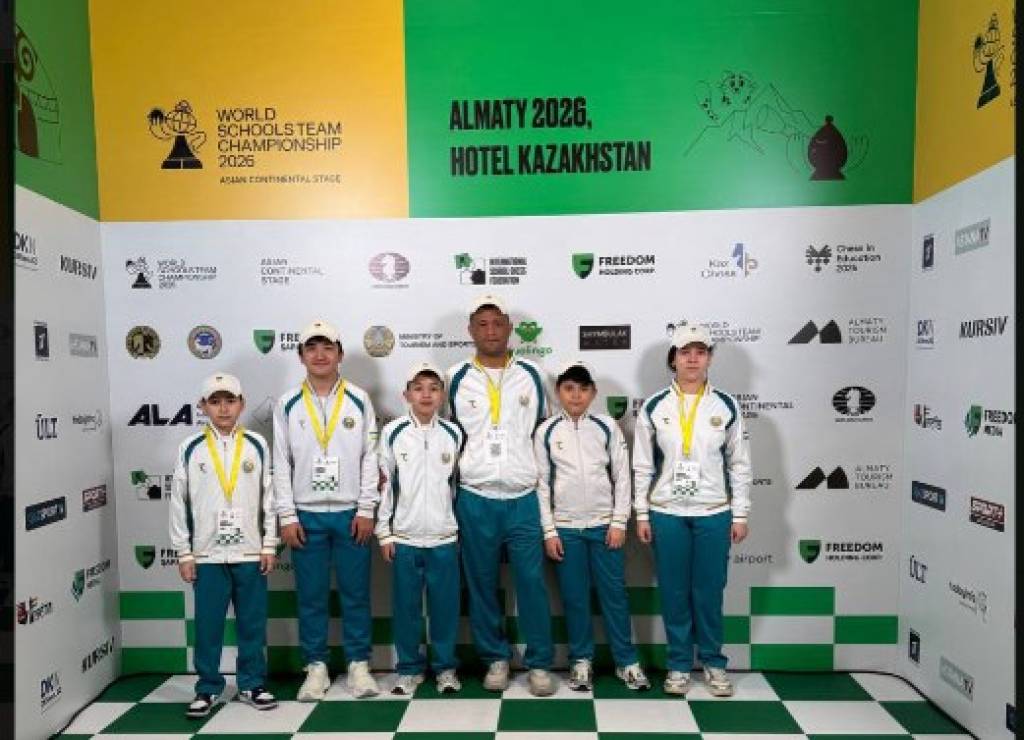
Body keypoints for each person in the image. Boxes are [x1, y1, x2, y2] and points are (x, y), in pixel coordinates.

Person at [633, 321, 752, 697]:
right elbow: (642, 465)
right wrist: (641, 513)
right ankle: (679, 665)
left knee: (709, 592)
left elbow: (740, 464)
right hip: (666, 512)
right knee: (674, 593)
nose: (693, 359)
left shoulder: (726, 405)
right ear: (673, 359)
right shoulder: (655, 406)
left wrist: (740, 513)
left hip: (713, 511)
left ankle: (714, 663)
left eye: (700, 352)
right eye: (685, 352)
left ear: (710, 358)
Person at [446, 293, 557, 696]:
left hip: (523, 495)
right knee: (480, 583)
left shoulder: (533, 374)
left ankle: (539, 663)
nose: (490, 331)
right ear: (470, 330)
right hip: (475, 496)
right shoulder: (455, 376)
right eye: (482, 324)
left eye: (497, 323)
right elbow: (448, 435)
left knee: (532, 582)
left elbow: (544, 431)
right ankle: (495, 657)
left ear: (509, 328)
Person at [272, 320, 381, 700]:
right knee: (311, 596)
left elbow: (371, 457)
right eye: (312, 348)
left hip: (351, 513)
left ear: (339, 354)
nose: (320, 355)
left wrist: (366, 509)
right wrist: (287, 516)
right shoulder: (287, 403)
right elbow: (280, 462)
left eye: (327, 347)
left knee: (356, 594)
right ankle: (315, 666)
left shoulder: (359, 399)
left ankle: (358, 665)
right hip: (306, 515)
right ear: (301, 356)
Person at [535, 360, 650, 692]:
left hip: (604, 528)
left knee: (615, 596)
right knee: (574, 599)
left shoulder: (606, 426)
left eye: (583, 389)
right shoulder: (546, 431)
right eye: (569, 388)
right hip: (565, 530)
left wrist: (618, 522)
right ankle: (581, 661)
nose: (576, 395)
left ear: (594, 393)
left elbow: (623, 476)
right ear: (558, 391)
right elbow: (541, 485)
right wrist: (549, 531)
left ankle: (626, 662)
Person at [169, 372, 278, 717]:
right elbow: (178, 501)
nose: (223, 408)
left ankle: (251, 683)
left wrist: (269, 544)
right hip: (207, 554)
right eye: (215, 402)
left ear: (242, 404)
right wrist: (184, 552)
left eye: (230, 401)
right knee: (208, 626)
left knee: (252, 624)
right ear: (202, 407)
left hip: (249, 551)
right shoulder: (191, 448)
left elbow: (269, 498)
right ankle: (207, 687)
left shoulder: (257, 444)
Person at [377, 361, 465, 695]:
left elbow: (458, 485)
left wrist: (455, 529)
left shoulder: (454, 434)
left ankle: (445, 668)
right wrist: (384, 532)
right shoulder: (393, 432)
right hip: (405, 537)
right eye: (418, 388)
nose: (426, 395)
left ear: (442, 395)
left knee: (445, 608)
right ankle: (409, 669)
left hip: (444, 537)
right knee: (407, 609)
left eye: (433, 388)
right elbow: (384, 485)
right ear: (406, 395)